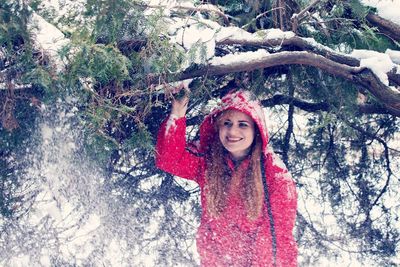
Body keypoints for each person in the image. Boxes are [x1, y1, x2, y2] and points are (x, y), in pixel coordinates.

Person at [155, 87, 298, 267]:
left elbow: (276, 242)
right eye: (227, 123)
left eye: (243, 124)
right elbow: (169, 159)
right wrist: (178, 111)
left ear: (257, 130)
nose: (233, 132)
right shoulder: (209, 160)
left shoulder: (275, 176)